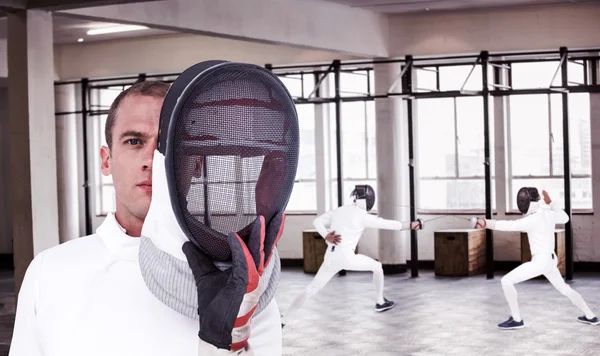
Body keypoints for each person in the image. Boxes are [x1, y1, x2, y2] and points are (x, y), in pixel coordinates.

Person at [9, 80, 282, 355]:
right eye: (134, 141)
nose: (151, 159)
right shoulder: (49, 272)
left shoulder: (238, 281)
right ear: (106, 160)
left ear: (196, 163)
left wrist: (226, 345)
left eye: (168, 144)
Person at [281, 185, 424, 326]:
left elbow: (316, 221)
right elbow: (388, 224)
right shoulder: (363, 216)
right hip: (346, 258)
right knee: (377, 267)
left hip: (330, 258)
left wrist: (326, 236)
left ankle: (284, 319)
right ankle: (380, 301)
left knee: (311, 289)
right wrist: (412, 225)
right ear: (368, 200)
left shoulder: (340, 210)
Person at [471, 187, 599, 330]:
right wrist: (551, 203)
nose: (522, 203)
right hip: (551, 260)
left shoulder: (532, 219)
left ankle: (517, 319)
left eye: (523, 200)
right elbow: (565, 218)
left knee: (506, 281)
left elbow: (509, 226)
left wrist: (485, 223)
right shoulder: (548, 213)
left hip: (541, 262)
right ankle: (590, 316)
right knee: (565, 289)